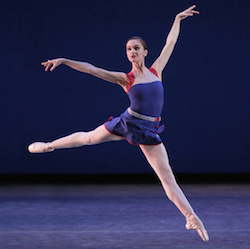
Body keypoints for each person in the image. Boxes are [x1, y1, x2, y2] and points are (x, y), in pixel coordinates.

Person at [28, 5, 209, 242]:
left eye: (136, 48)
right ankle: (50, 145)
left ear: (145, 52)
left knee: (167, 178)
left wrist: (177, 19)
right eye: (128, 49)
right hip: (128, 122)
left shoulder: (156, 70)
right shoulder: (126, 78)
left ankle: (191, 217)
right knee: (88, 138)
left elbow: (170, 43)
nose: (132, 52)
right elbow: (92, 70)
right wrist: (64, 60)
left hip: (149, 131)